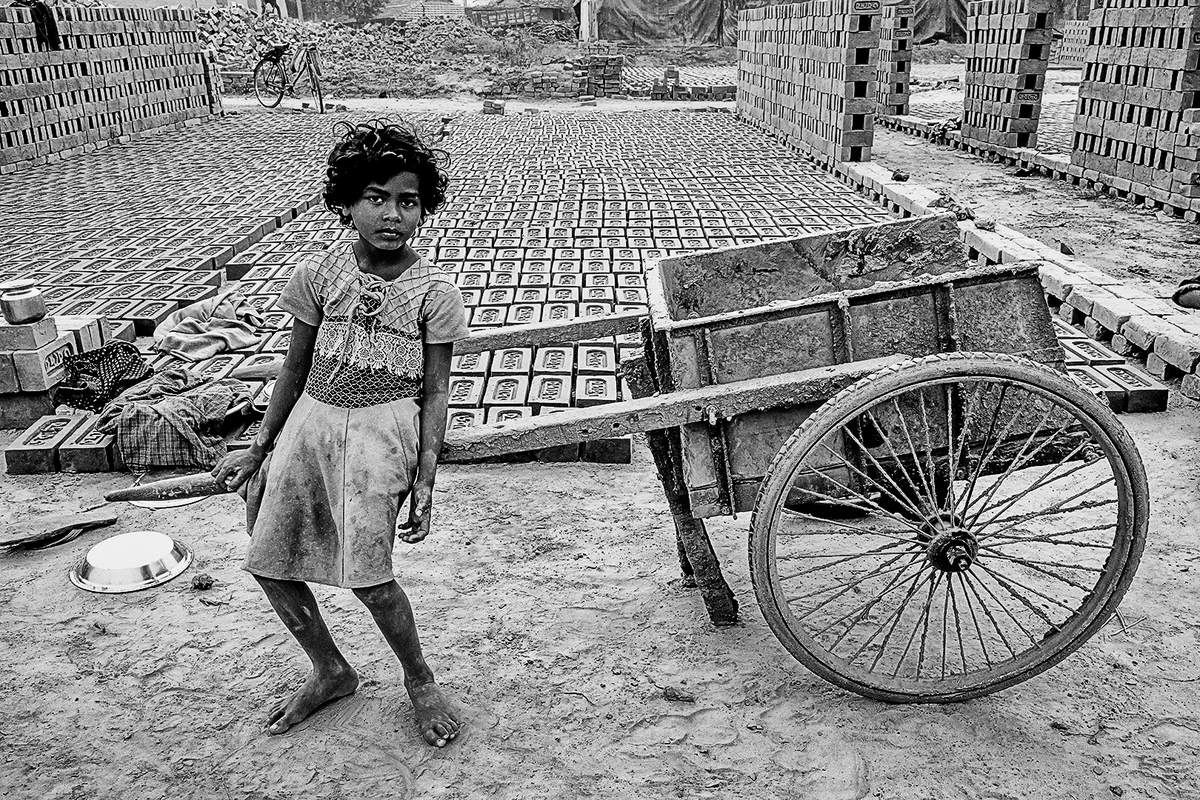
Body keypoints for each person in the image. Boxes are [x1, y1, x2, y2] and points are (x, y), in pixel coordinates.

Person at [212, 120, 468, 747]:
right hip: (310, 427)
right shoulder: (319, 274)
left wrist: (426, 477)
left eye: (407, 201)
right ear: (348, 204)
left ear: (423, 210)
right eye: (376, 196)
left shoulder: (434, 292)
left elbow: (435, 391)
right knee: (271, 561)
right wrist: (260, 445)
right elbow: (293, 369)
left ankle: (419, 679)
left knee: (371, 577)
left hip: (382, 439)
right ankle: (330, 669)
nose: (391, 213)